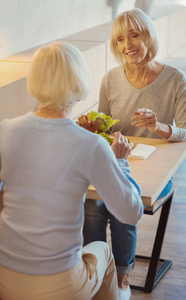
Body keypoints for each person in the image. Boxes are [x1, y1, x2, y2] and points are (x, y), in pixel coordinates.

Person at [0, 42, 144, 300]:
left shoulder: (5, 130)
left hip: (6, 276)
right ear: (79, 82)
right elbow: (130, 212)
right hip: (60, 282)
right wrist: (120, 161)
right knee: (104, 251)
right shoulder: (92, 144)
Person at [77, 8, 186, 300]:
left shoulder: (174, 79)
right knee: (93, 204)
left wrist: (160, 127)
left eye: (134, 35)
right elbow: (106, 130)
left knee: (121, 206)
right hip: (116, 164)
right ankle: (94, 273)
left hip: (156, 173)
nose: (127, 45)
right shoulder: (110, 79)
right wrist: (95, 127)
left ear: (148, 36)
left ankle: (121, 276)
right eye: (120, 39)